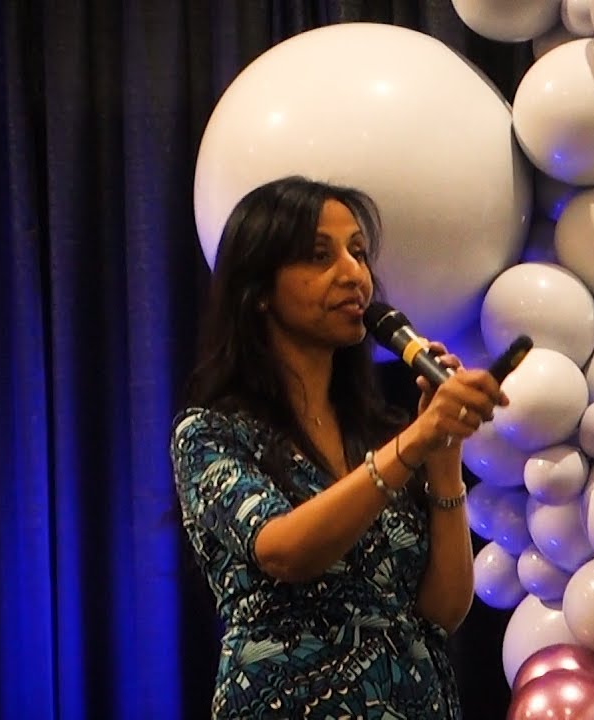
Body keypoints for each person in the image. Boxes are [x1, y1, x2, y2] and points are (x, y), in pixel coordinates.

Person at [171, 175, 508, 719]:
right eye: (320, 256)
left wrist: (443, 456)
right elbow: (284, 550)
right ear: (260, 290)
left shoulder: (382, 436)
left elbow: (441, 612)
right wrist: (416, 440)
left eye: (358, 253)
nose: (354, 274)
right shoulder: (211, 433)